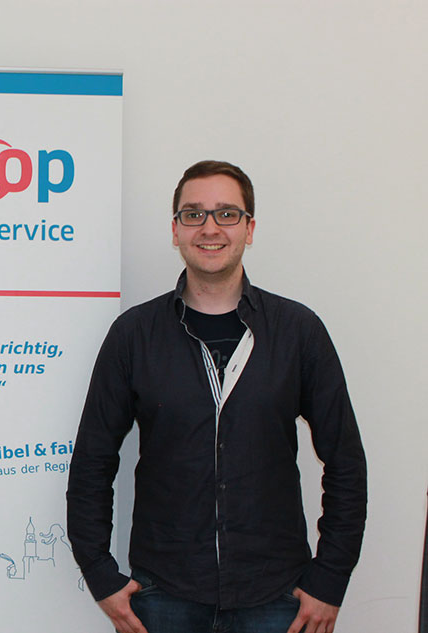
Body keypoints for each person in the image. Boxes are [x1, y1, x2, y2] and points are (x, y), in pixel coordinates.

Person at [66, 160, 366, 633]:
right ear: (176, 230)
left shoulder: (298, 332)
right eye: (194, 215)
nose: (210, 228)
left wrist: (330, 579)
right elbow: (92, 462)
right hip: (163, 595)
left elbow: (345, 462)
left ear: (250, 228)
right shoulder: (134, 335)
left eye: (227, 214)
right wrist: (100, 574)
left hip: (277, 595)